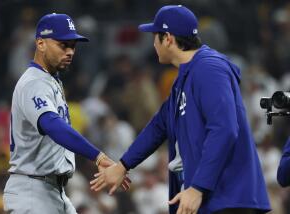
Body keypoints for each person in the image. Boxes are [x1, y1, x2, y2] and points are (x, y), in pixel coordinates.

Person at [90, 5, 271, 214]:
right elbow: (158, 127)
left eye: (155, 35)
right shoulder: (184, 80)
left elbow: (224, 128)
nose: (153, 43)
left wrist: (198, 187)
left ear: (167, 38)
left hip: (229, 199)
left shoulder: (209, 69)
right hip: (211, 200)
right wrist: (122, 166)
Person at [3, 13, 130, 214]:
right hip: (32, 191)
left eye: (73, 46)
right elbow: (52, 124)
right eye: (63, 45)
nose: (70, 51)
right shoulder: (34, 82)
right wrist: (97, 156)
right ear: (41, 43)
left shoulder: (50, 80)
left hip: (52, 190)